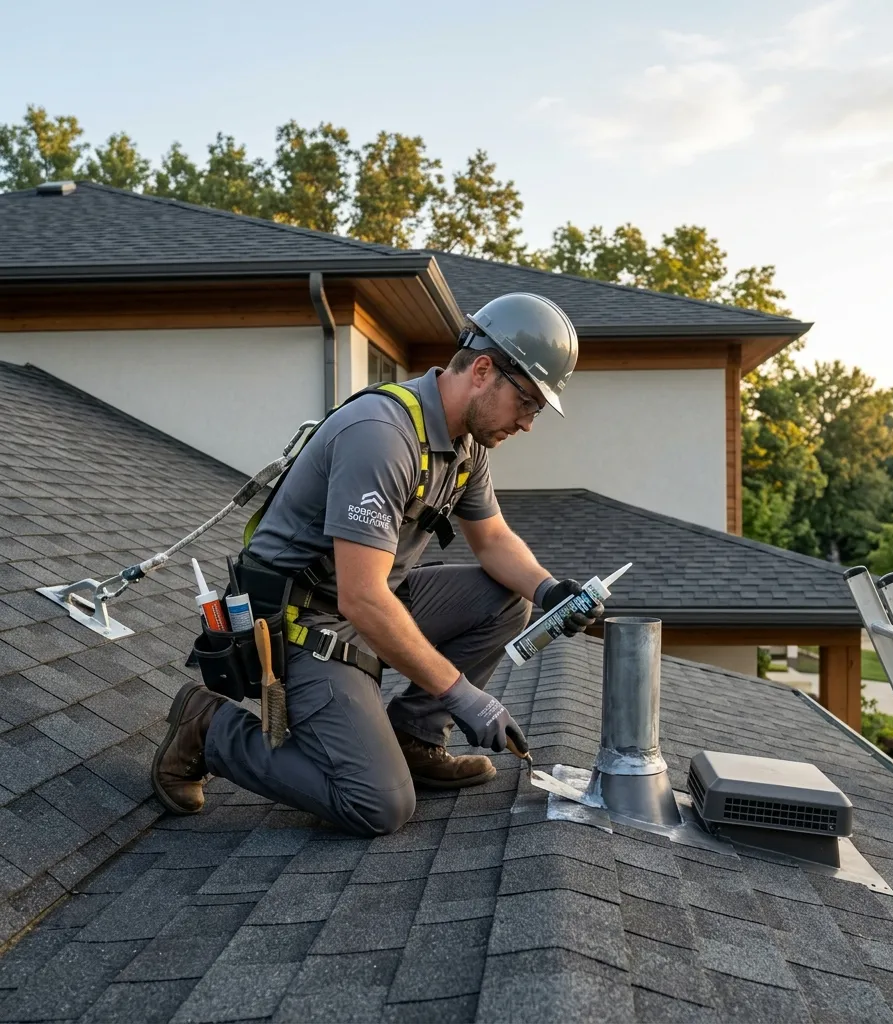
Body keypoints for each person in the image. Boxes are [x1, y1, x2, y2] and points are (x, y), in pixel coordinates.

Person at [151, 292, 604, 837]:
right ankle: (208, 727)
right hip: (305, 624)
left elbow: (493, 540)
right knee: (377, 805)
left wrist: (551, 590)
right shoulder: (383, 434)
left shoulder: (466, 446)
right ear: (484, 370)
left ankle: (415, 737)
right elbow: (360, 598)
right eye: (528, 402)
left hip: (369, 601)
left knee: (506, 596)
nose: (529, 423)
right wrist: (462, 695)